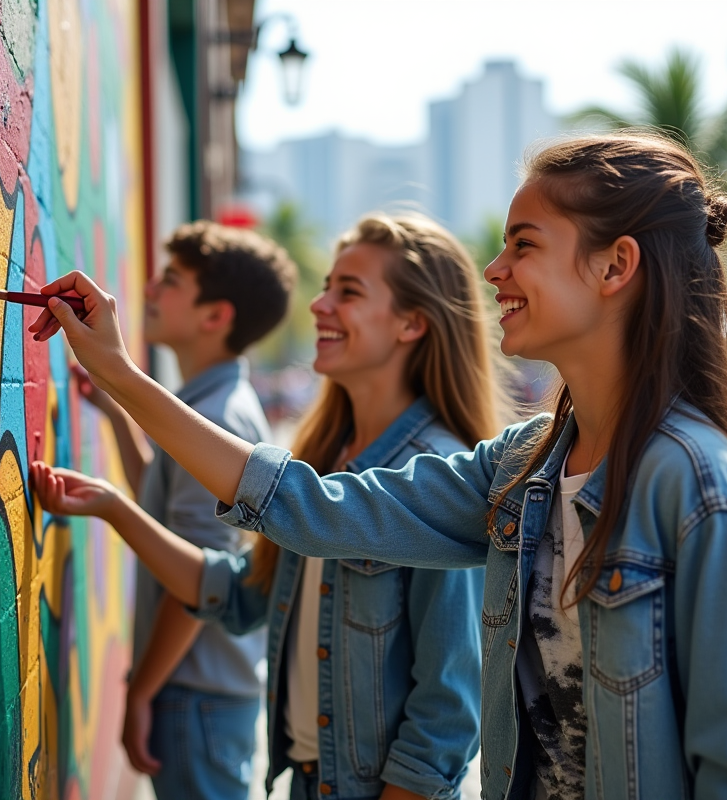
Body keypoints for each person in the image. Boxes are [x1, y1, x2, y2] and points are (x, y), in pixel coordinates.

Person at [28, 133, 727, 799]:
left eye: (524, 244)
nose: (495, 269)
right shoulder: (520, 468)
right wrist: (123, 377)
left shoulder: (700, 487)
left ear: (615, 268)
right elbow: (307, 506)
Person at [35, 214, 494, 800]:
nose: (320, 305)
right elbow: (242, 595)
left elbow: (448, 713)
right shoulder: (325, 458)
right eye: (326, 285)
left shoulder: (436, 475)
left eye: (347, 292)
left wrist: (119, 373)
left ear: (412, 323)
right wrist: (114, 508)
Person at [70, 221, 295, 799]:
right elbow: (165, 500)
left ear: (214, 316)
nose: (148, 289)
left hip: (193, 694)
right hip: (202, 692)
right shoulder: (209, 407)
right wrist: (119, 414)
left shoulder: (217, 416)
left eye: (171, 280)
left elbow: (201, 576)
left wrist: (141, 690)